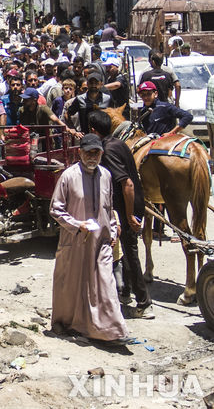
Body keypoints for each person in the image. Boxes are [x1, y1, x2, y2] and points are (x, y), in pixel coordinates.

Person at [49, 134, 132, 345]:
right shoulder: (68, 176)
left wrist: (113, 230)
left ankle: (113, 331)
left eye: (96, 153)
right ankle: (65, 323)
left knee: (105, 282)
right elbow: (55, 209)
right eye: (88, 152)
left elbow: (109, 208)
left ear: (102, 154)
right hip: (76, 241)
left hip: (102, 241)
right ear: (80, 152)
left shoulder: (106, 175)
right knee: (71, 284)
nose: (92, 157)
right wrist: (78, 225)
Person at [88, 111, 153, 319]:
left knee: (130, 252)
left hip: (126, 208)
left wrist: (129, 215)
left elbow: (127, 183)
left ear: (93, 130)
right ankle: (125, 292)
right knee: (126, 250)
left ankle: (144, 304)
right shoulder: (119, 143)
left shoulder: (108, 150)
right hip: (130, 205)